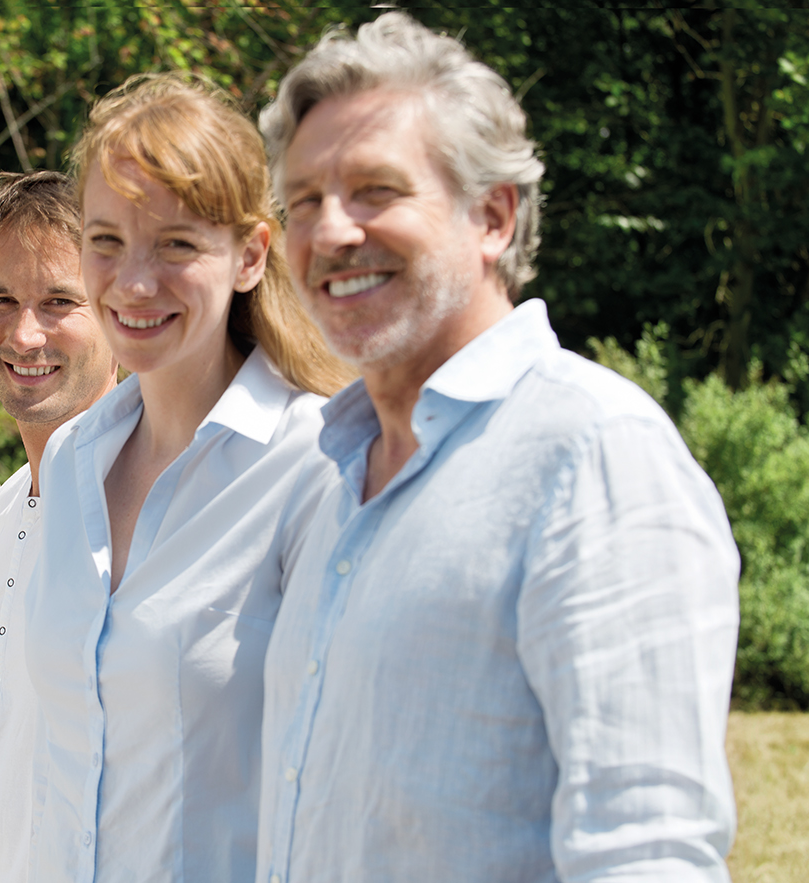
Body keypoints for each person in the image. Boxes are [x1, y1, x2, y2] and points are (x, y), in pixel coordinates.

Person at [254, 12, 741, 881]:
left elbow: (643, 849)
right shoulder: (330, 482)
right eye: (302, 203)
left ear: (492, 216)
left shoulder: (591, 455)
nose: (329, 233)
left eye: (375, 190)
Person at [23, 75, 353, 883]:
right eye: (105, 240)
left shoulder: (315, 466)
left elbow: (350, 779)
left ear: (250, 254)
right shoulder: (67, 461)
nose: (133, 282)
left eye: (175, 244)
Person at [0, 171, 118, 882]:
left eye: (58, 301)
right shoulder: (6, 503)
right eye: (0, 301)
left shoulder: (157, 494)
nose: (25, 333)